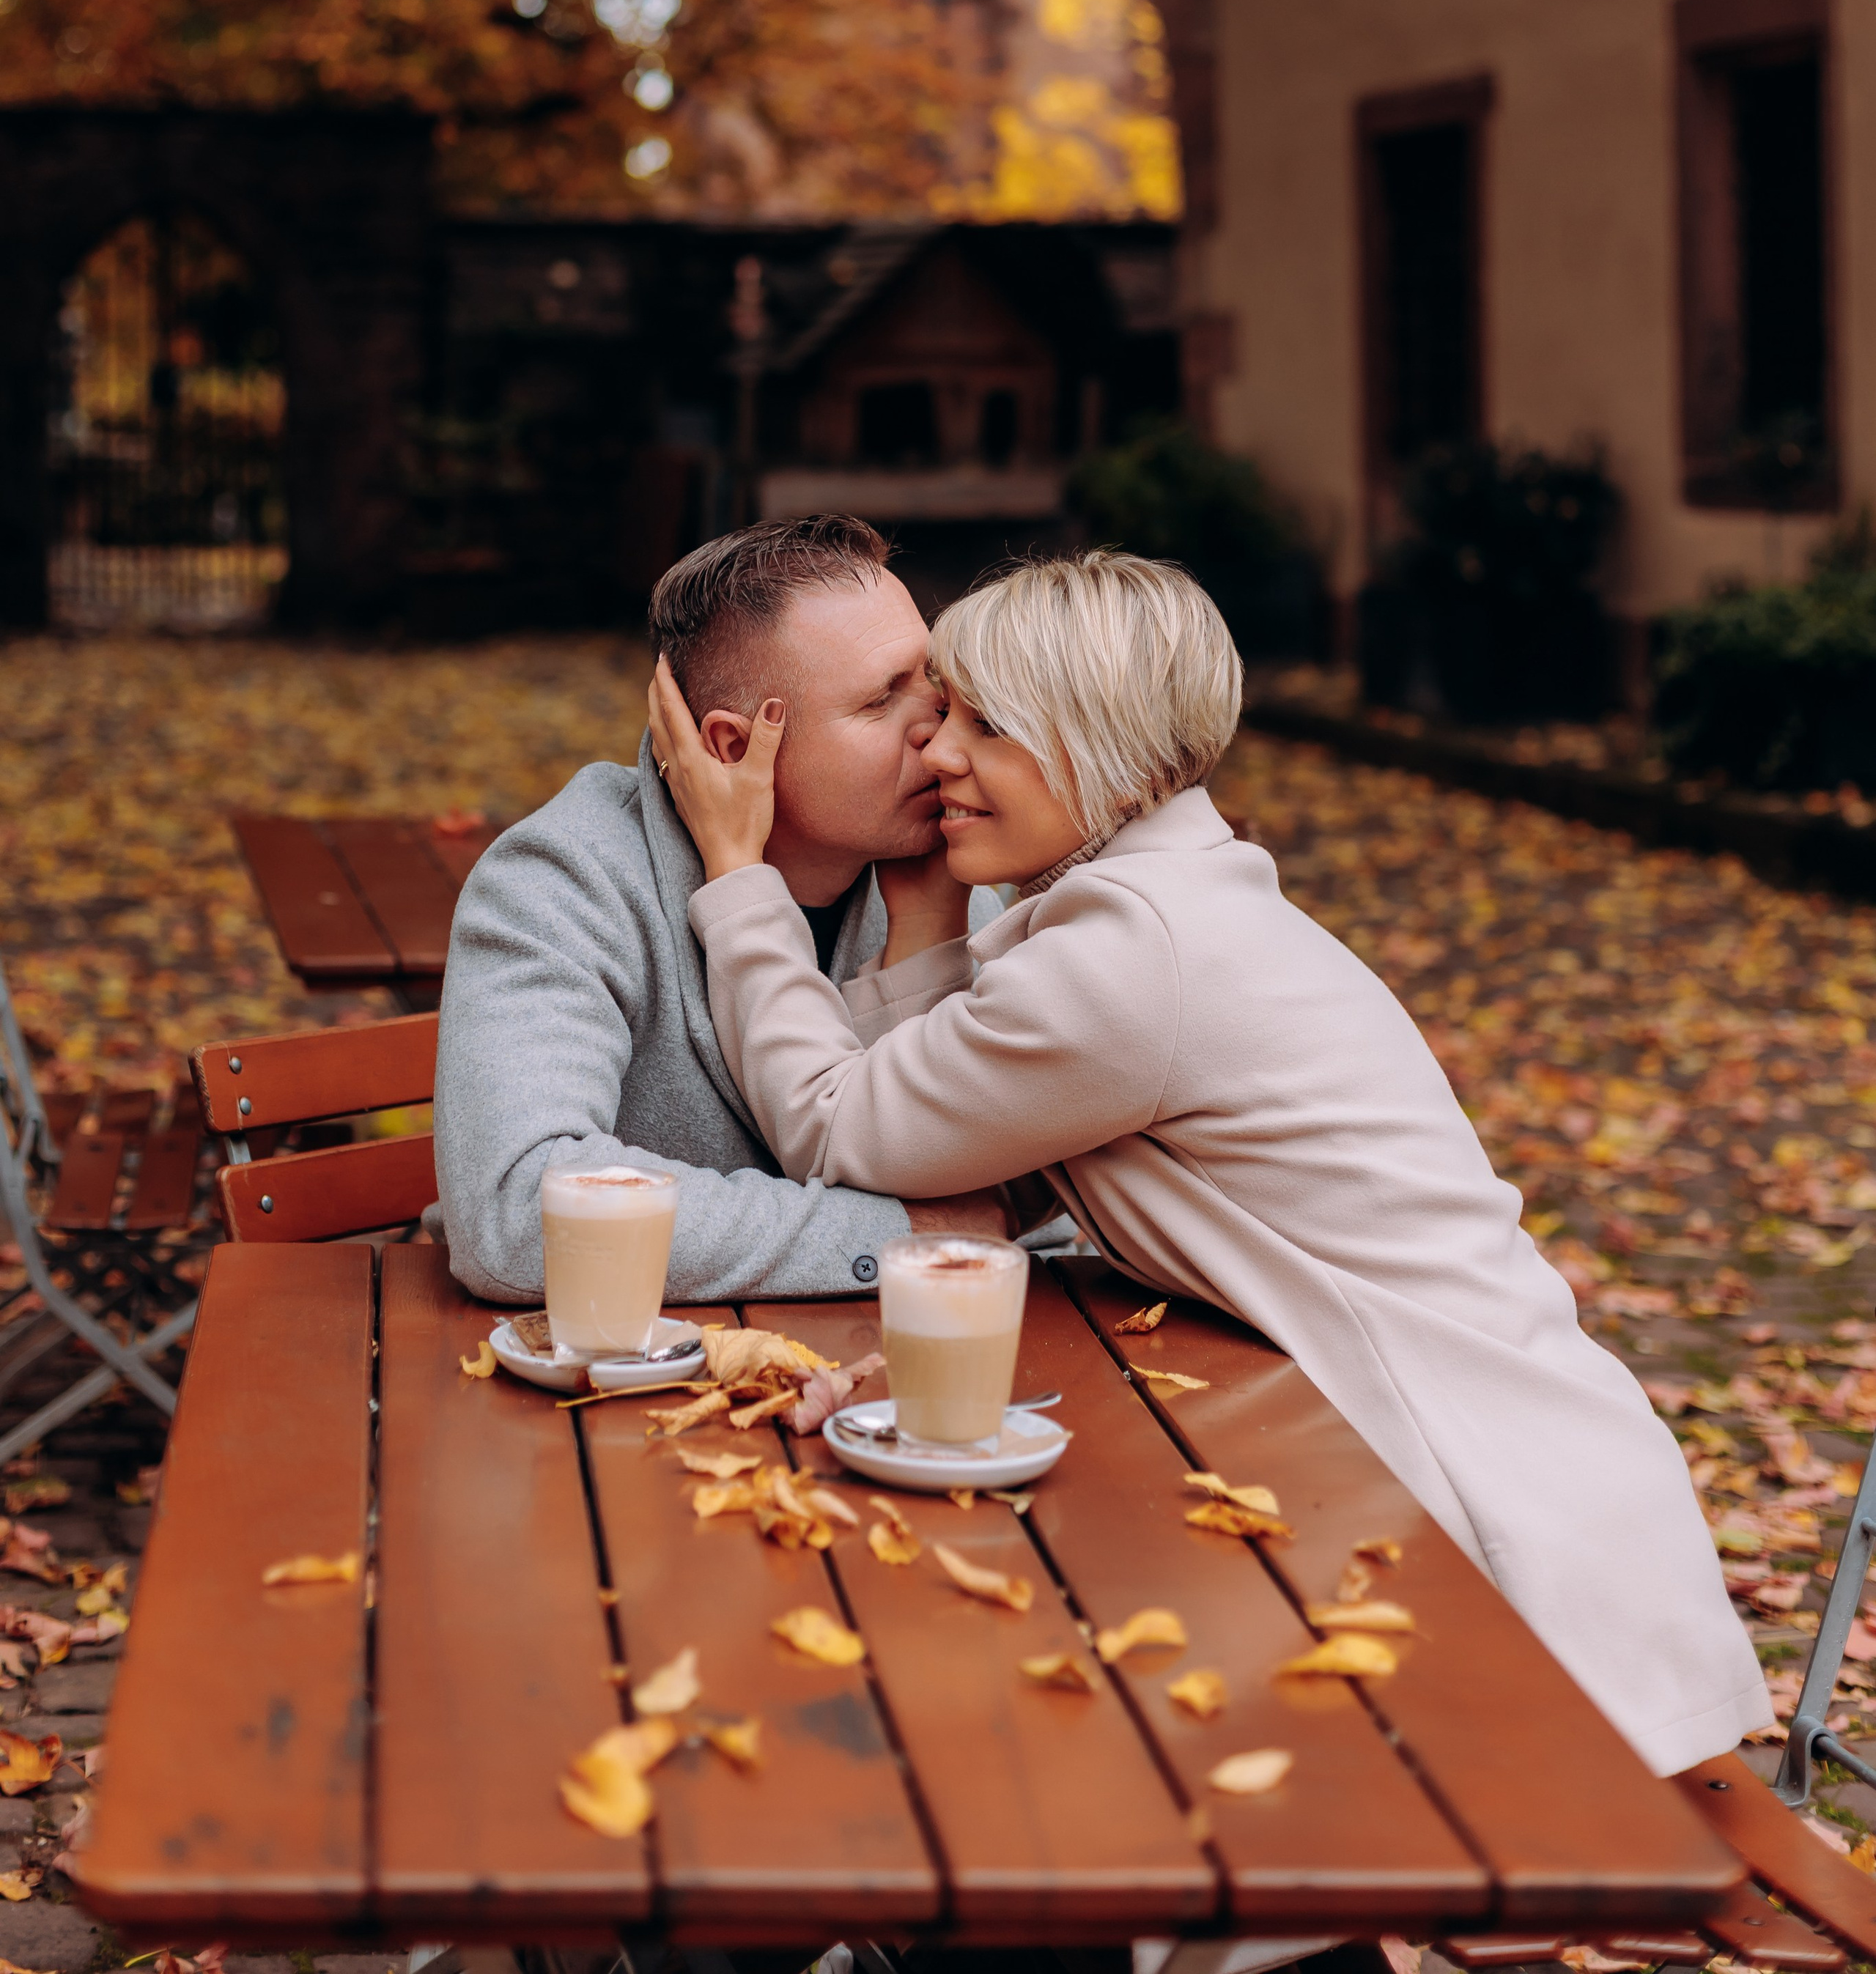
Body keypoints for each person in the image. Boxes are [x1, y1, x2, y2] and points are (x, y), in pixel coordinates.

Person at [649, 549, 1770, 1778]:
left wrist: (739, 877)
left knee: (1114, 1763)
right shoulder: (1155, 906)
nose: (936, 755)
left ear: (1100, 742)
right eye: (940, 715)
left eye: (984, 725)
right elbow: (934, 1121)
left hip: (1497, 1531)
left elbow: (832, 1122)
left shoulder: (1134, 958)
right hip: (1440, 1468)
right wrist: (929, 925)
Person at [432, 514, 1009, 1304]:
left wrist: (928, 944)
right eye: (881, 702)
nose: (941, 731)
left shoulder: (950, 868)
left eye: (932, 681)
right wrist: (897, 1233)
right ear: (734, 749)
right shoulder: (560, 881)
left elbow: (1032, 1201)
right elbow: (519, 1213)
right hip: (614, 1398)